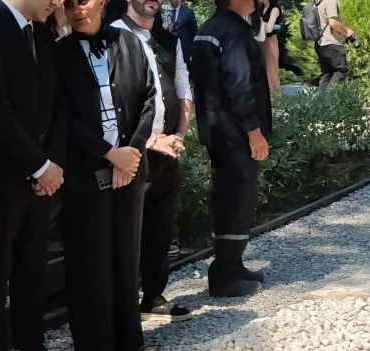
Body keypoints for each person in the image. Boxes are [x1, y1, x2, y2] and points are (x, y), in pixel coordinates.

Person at [0, 0, 89, 351]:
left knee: (32, 269)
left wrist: (52, 164)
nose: (57, 3)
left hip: (42, 178)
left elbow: (57, 104)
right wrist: (38, 165)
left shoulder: (42, 33)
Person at [58, 0, 158, 351]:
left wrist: (131, 152)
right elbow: (62, 115)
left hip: (130, 166)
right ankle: (92, 344)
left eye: (83, 1)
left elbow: (149, 97)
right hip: (86, 171)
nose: (76, 10)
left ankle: (131, 339)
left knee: (126, 254)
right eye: (69, 4)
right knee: (90, 257)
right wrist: (108, 153)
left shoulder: (129, 42)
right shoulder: (60, 54)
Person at [112, 0, 193, 323]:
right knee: (129, 231)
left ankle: (153, 295)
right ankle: (122, 305)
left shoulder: (169, 39)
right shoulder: (114, 36)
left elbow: (183, 86)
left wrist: (179, 135)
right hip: (131, 151)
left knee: (161, 228)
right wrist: (150, 140)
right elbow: (114, 100)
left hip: (169, 149)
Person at [192, 0, 271, 298]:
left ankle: (233, 265)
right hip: (235, 133)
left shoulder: (209, 28)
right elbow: (239, 85)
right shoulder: (234, 32)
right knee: (237, 202)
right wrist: (254, 132)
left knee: (227, 198)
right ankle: (225, 275)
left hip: (216, 130)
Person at [314, 0, 352, 92]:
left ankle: (321, 100)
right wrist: (347, 32)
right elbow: (333, 23)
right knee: (341, 71)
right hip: (331, 42)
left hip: (320, 43)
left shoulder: (319, 2)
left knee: (327, 74)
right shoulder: (330, 1)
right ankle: (329, 98)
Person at [258, 0, 280, 94]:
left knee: (271, 70)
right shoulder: (260, 8)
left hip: (270, 42)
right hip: (260, 41)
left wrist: (261, 25)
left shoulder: (275, 9)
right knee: (262, 70)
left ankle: (275, 97)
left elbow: (269, 29)